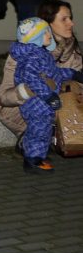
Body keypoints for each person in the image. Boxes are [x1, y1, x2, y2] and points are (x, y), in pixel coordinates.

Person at [0, 0, 82, 140]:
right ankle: (28, 139)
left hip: (58, 108)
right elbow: (3, 97)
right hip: (22, 110)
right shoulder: (24, 53)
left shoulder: (72, 50)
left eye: (70, 18)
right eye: (64, 19)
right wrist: (29, 90)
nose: (71, 23)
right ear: (48, 24)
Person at [9, 18, 83, 174]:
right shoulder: (32, 58)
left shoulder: (40, 54)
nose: (50, 35)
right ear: (35, 37)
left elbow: (53, 74)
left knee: (42, 130)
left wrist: (73, 74)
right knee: (38, 130)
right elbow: (32, 79)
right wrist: (49, 96)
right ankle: (32, 161)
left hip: (42, 103)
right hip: (36, 103)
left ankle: (38, 156)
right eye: (45, 33)